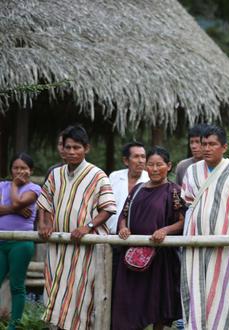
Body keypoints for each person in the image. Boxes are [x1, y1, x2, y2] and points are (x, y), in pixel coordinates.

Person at [37, 125, 117, 329]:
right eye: (68, 147)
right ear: (62, 148)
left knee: (81, 295)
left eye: (77, 147)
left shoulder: (97, 175)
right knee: (55, 290)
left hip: (85, 247)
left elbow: (108, 208)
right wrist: (44, 224)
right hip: (59, 245)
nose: (72, 152)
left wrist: (87, 227)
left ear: (86, 149)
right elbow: (44, 202)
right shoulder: (55, 174)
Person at [180, 125, 229, 329]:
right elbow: (187, 202)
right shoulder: (191, 171)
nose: (207, 148)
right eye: (204, 144)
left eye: (212, 144)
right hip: (193, 242)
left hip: (226, 243)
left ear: (224, 147)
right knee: (195, 289)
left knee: (225, 290)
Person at [112, 146, 184, 330]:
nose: (154, 169)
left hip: (161, 259)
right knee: (127, 303)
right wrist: (123, 228)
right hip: (131, 256)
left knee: (157, 304)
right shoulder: (137, 189)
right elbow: (123, 214)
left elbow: (183, 221)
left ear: (168, 166)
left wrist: (165, 230)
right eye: (150, 165)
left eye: (159, 164)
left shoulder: (174, 191)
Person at [0, 154, 42, 329]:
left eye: (23, 168)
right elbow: (16, 207)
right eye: (16, 167)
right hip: (1, 240)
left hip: (21, 242)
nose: (19, 171)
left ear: (30, 170)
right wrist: (16, 211)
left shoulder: (34, 188)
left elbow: (18, 202)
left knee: (17, 285)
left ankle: (13, 325)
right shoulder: (2, 185)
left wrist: (16, 186)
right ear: (11, 169)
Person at [107, 142, 149, 234]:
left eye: (143, 156)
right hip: (111, 235)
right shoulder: (114, 177)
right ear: (126, 161)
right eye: (136, 156)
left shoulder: (149, 180)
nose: (141, 160)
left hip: (138, 237)